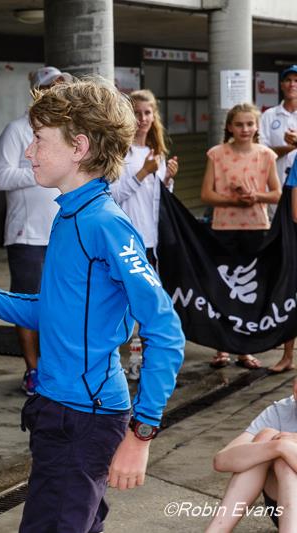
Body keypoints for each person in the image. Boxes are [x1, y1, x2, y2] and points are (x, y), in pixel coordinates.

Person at [0, 79, 185, 533]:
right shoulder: (70, 212)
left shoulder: (104, 223)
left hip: (85, 417)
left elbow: (165, 330)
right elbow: (54, 313)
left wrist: (143, 432)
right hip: (59, 410)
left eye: (39, 139)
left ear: (78, 146)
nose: (29, 152)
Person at [0, 67, 65, 395]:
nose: (58, 92)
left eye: (62, 88)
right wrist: (38, 171)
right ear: (38, 91)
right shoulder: (17, 130)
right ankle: (32, 370)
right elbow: (3, 178)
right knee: (26, 303)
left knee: (57, 304)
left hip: (59, 232)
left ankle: (53, 368)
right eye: (52, 87)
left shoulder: (62, 131)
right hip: (26, 235)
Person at [201, 102, 281, 370]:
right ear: (229, 127)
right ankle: (222, 347)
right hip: (224, 228)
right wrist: (234, 201)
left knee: (251, 290)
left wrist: (255, 196)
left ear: (257, 126)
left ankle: (245, 349)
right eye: (239, 124)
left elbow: (276, 193)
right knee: (222, 287)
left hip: (257, 228)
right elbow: (206, 195)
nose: (245, 129)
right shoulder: (216, 154)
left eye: (250, 124)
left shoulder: (266, 155)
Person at [205, 377, 297, 532]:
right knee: (265, 439)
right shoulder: (282, 410)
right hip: (285, 509)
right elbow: (221, 461)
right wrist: (279, 446)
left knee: (285, 463)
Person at [110, 89, 178, 267]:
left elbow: (160, 198)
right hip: (128, 236)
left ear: (154, 116)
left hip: (154, 237)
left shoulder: (156, 153)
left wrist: (168, 180)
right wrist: (143, 173)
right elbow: (113, 195)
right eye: (137, 113)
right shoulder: (121, 153)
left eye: (147, 112)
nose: (143, 118)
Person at [260, 65, 297, 374]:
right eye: (288, 79)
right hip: (278, 205)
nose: (292, 84)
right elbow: (262, 151)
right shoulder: (270, 115)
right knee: (283, 276)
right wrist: (288, 146)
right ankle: (281, 341)